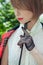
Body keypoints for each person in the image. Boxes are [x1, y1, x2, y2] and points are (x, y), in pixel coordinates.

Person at [1, 0, 43, 65]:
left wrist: (33, 50)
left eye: (21, 7)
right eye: (15, 7)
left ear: (35, 5)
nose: (17, 13)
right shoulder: (10, 37)